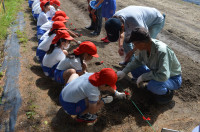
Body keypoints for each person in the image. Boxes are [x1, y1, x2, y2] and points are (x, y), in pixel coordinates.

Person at [117, 27, 182, 104]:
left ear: (142, 43)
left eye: (135, 44)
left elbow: (163, 75)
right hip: (155, 72)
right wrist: (124, 72)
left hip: (171, 78)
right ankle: (151, 82)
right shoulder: (144, 48)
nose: (134, 46)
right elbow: (137, 61)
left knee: (153, 86)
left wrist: (143, 77)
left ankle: (168, 93)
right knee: (135, 68)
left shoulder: (161, 51)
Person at [59, 68, 126, 122]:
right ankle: (82, 116)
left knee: (75, 75)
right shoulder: (93, 91)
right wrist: (103, 101)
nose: (108, 88)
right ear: (103, 84)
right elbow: (92, 111)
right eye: (108, 87)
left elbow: (106, 84)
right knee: (97, 99)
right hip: (68, 107)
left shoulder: (91, 75)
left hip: (62, 95)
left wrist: (116, 92)